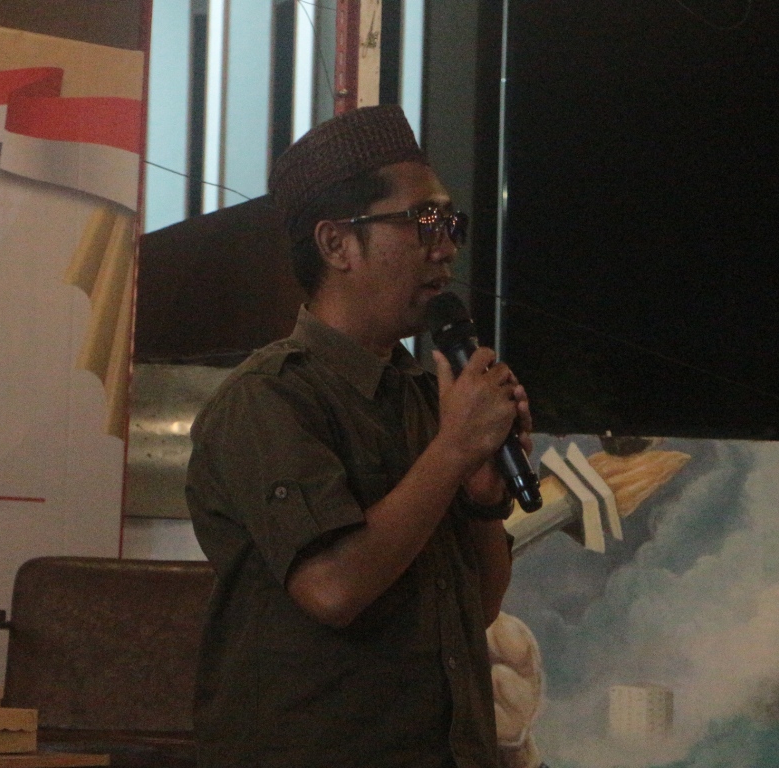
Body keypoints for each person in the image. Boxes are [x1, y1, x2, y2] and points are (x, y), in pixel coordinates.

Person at [186, 104, 533, 768]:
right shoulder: (269, 399)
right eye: (422, 222)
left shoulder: (427, 397)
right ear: (336, 245)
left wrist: (484, 498)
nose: (445, 247)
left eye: (450, 223)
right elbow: (332, 589)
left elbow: (481, 607)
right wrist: (453, 450)